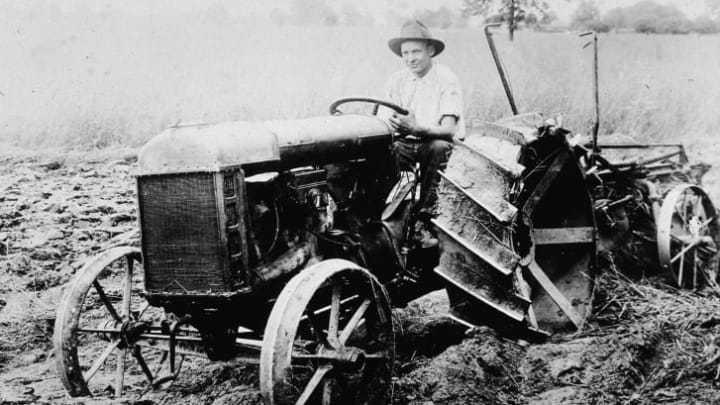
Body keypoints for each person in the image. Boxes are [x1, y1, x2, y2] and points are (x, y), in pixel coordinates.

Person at [384, 20, 465, 247]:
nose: (411, 58)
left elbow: (449, 129)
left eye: (416, 51)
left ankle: (425, 221)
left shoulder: (446, 79)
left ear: (430, 50)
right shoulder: (396, 81)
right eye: (405, 53)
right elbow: (386, 120)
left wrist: (419, 129)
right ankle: (380, 217)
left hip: (436, 142)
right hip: (405, 143)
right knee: (379, 153)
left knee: (438, 148)